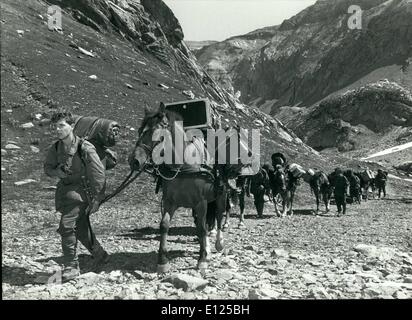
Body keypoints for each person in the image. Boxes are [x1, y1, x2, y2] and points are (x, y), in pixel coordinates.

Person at [44, 111, 109, 282]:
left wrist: (97, 198)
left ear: (71, 126)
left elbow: (98, 174)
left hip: (82, 194)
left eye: (61, 125)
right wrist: (57, 171)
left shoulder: (84, 147)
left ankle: (71, 267)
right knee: (79, 227)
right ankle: (100, 254)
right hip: (65, 193)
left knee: (66, 226)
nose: (57, 129)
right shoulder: (56, 147)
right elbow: (47, 168)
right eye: (55, 126)